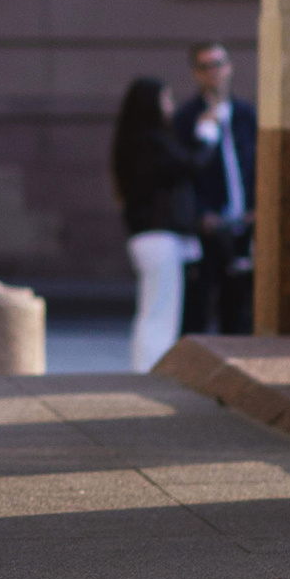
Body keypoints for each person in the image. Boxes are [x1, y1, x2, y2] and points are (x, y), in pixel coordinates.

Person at [110, 77, 202, 373]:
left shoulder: (134, 141)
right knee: (159, 310)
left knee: (157, 308)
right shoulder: (149, 141)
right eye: (166, 99)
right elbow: (188, 166)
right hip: (158, 234)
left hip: (149, 234)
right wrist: (206, 137)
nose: (170, 106)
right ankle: (149, 369)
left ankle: (149, 367)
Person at [171, 37, 257, 335]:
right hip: (207, 228)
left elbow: (257, 165)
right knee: (198, 306)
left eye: (219, 64)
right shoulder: (185, 119)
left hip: (243, 225)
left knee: (239, 309)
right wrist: (201, 213)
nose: (214, 72)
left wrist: (255, 207)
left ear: (230, 68)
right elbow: (184, 173)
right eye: (206, 67)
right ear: (196, 73)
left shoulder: (246, 115)